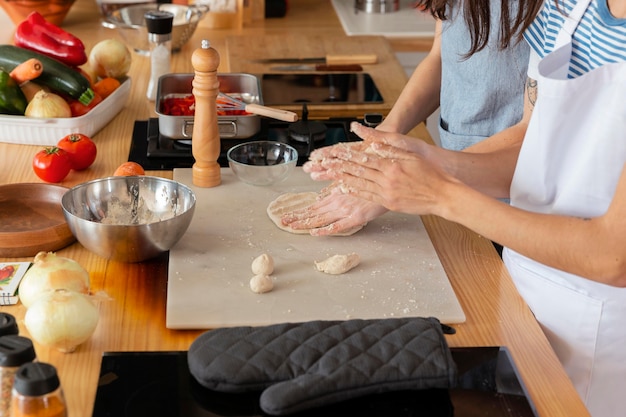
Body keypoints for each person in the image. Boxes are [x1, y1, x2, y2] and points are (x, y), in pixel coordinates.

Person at [294, 0, 626, 416]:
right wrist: (422, 162)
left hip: (604, 334)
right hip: (526, 300)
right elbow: (532, 139)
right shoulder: (570, 7)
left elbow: (613, 257)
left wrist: (441, 193)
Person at [280, 0, 532, 237]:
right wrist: (385, 135)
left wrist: (406, 178)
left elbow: (532, 133)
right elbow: (441, 57)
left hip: (514, 203)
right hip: (449, 187)